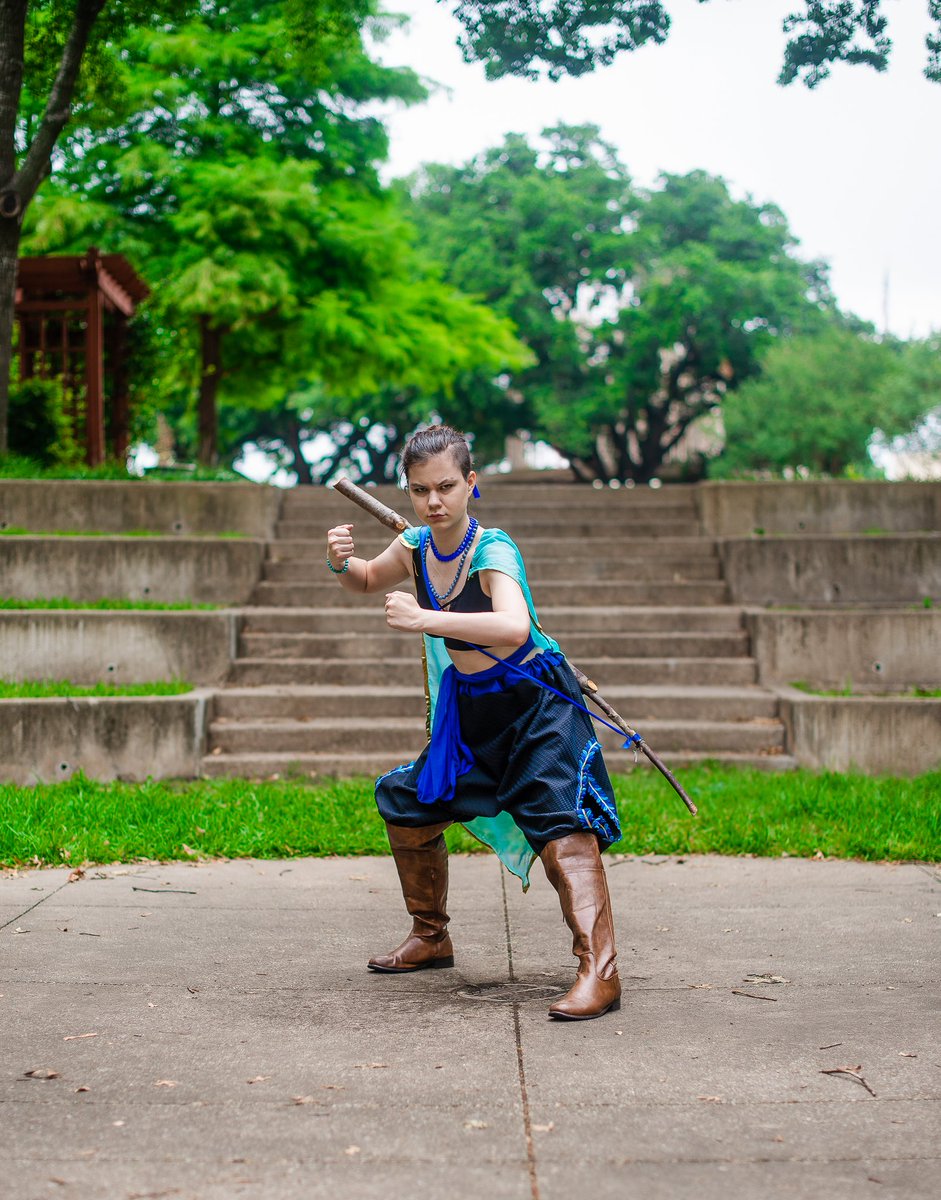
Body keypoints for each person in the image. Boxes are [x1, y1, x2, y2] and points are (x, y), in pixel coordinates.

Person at [325, 426, 622, 1020]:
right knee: (407, 800)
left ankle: (601, 972)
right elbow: (367, 579)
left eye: (446, 487)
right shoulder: (415, 545)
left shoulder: (493, 551)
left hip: (536, 704)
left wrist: (425, 619)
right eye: (420, 490)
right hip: (475, 712)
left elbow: (513, 627)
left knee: (562, 824)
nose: (433, 501)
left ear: (470, 483)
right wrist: (340, 562)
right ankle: (431, 936)